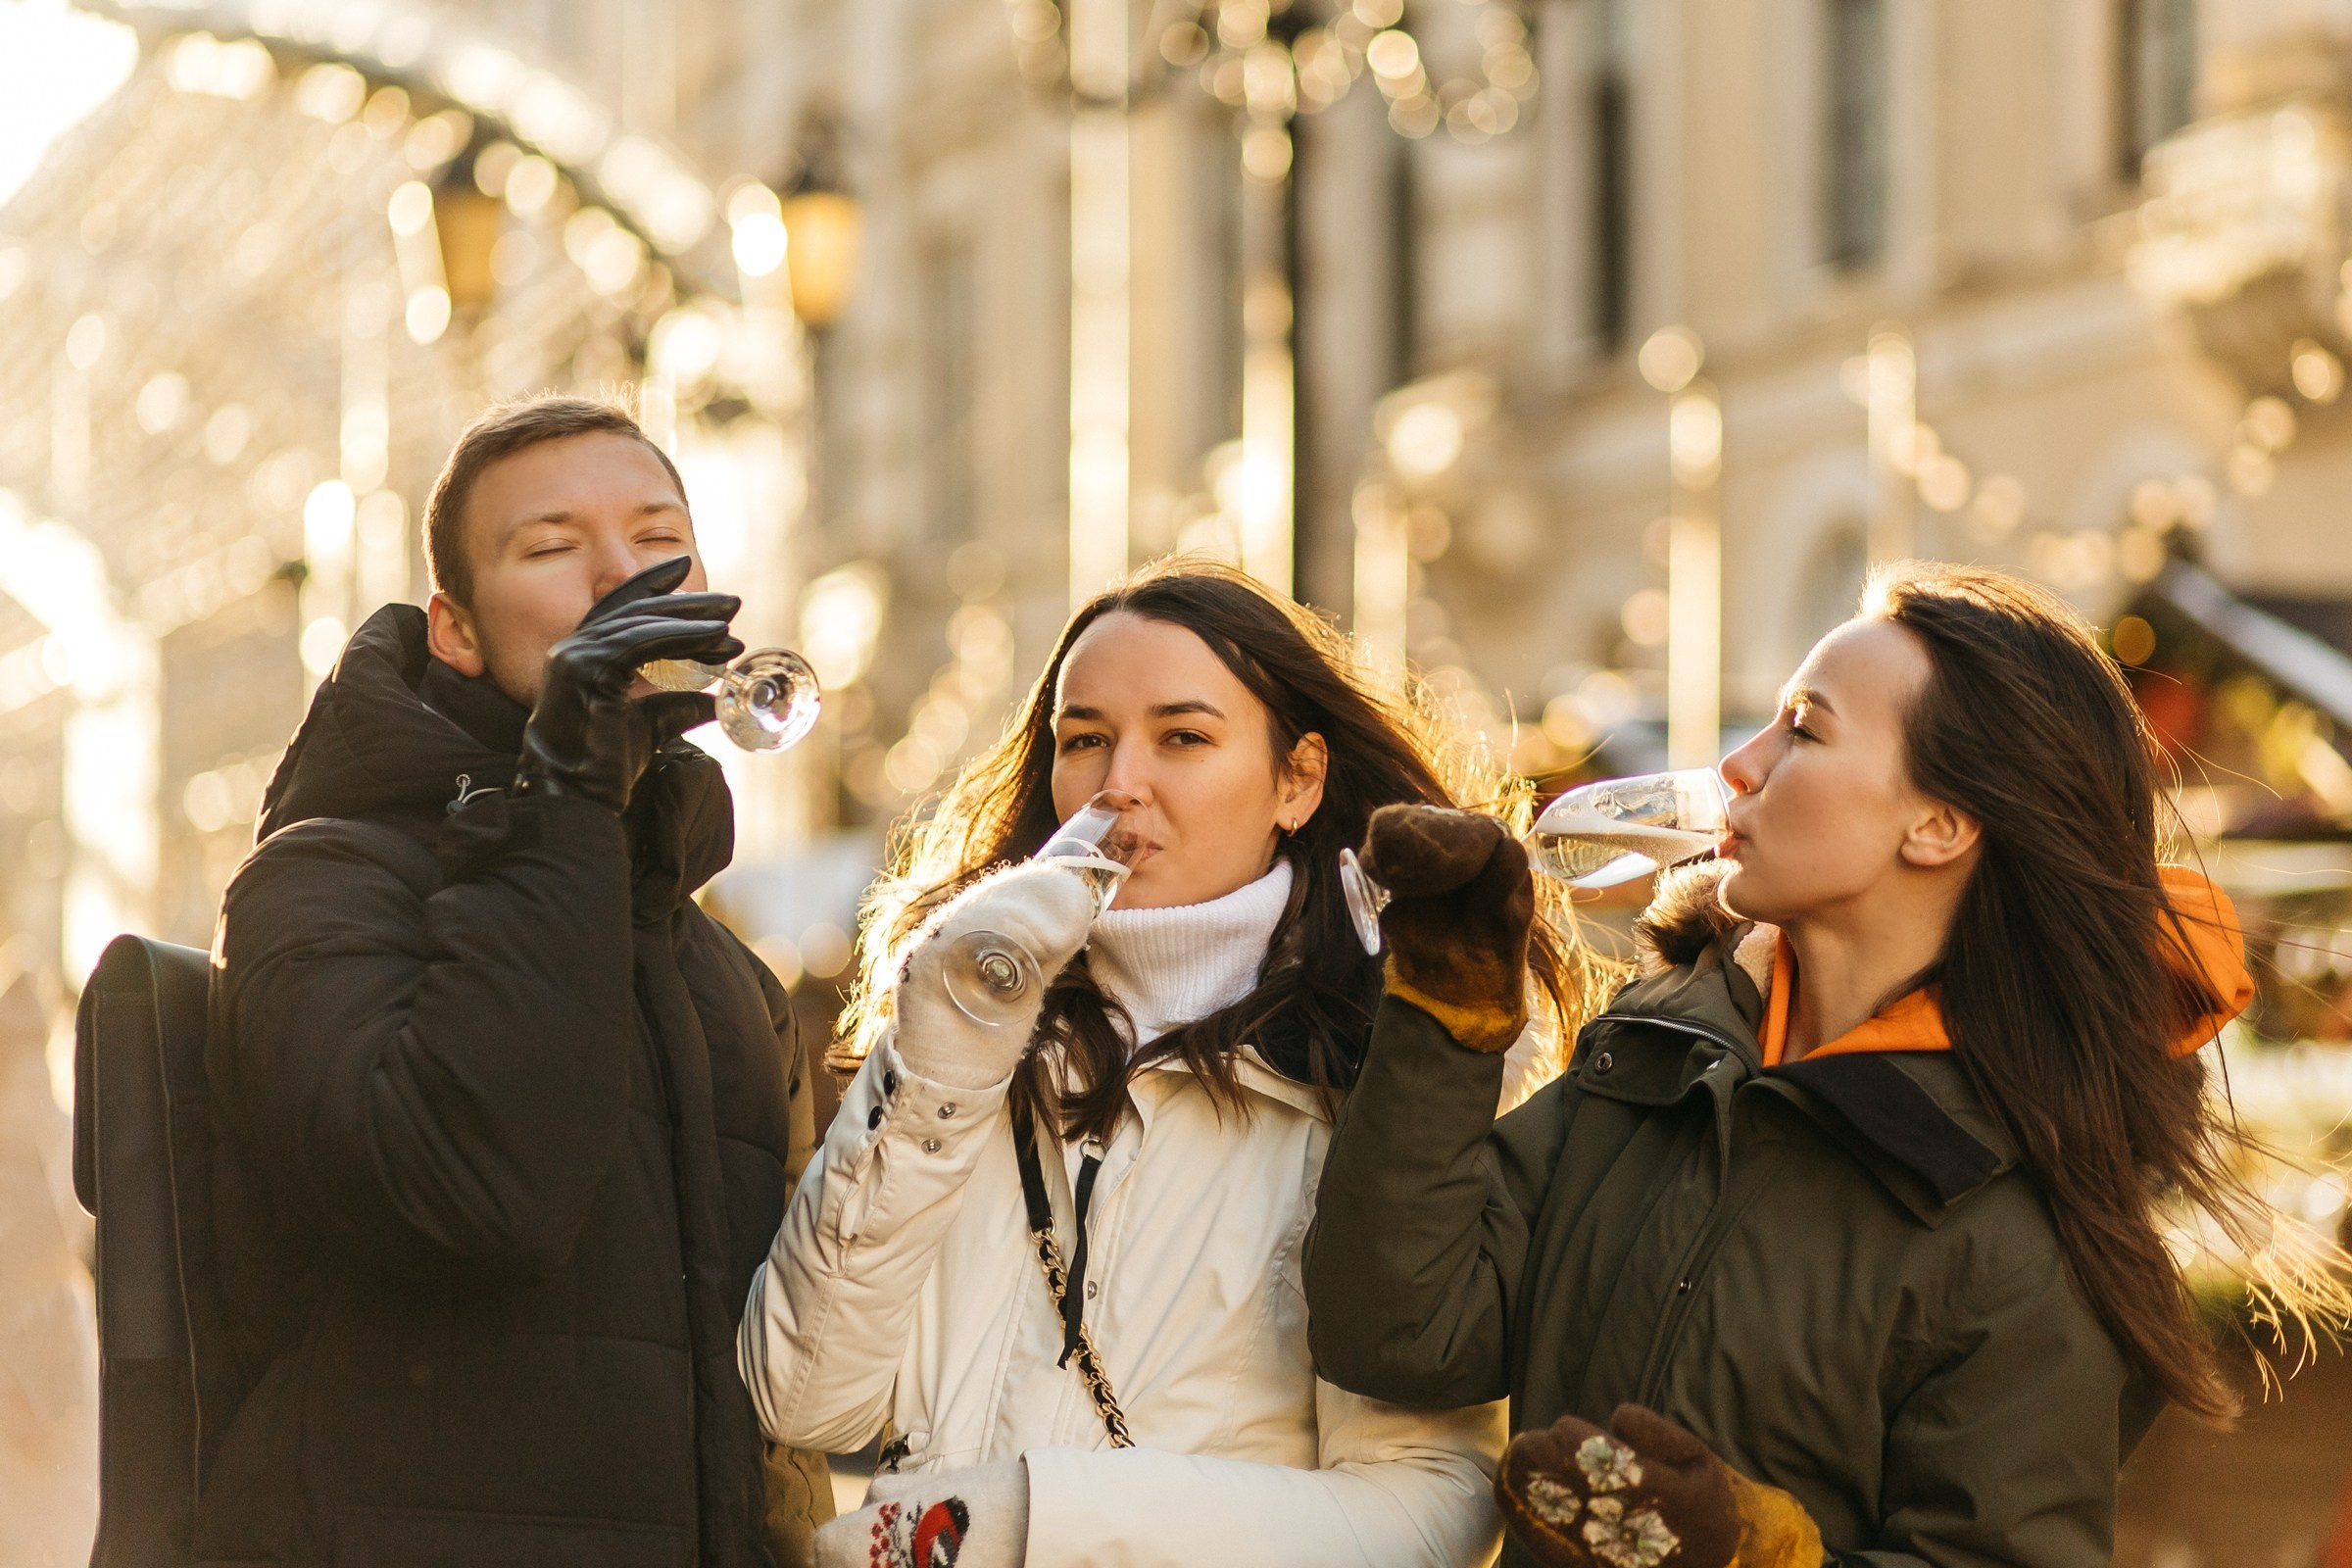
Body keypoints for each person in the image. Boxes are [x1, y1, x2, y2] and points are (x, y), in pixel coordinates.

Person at [1303, 563, 2351, 1568]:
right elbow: (1396, 1334)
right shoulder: (1656, 1049)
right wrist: (1446, 1004)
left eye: (1803, 728)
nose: (1738, 767)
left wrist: (1755, 1554)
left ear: (1939, 823)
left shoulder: (2014, 1222)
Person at [738, 559, 1601, 1568]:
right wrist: (944, 1055)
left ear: (1298, 779)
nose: (1118, 782)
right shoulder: (959, 1039)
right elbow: (802, 1394)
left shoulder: (1387, 1072)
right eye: (1085, 738)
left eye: (1183, 737)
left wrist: (1038, 1520)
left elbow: (1428, 1513)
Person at [201, 397, 830, 1567]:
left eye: (656, 539)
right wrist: (567, 791)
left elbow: (790, 1373)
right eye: (551, 548)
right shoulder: (319, 880)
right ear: (455, 630)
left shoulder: (717, 961)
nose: (618, 579)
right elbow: (476, 1195)